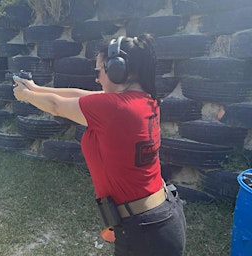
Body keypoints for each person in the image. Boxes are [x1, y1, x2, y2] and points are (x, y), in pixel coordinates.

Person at [13, 34, 186, 256]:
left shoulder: (113, 108)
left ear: (118, 69)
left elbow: (56, 106)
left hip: (145, 232)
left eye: (99, 71)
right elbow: (80, 95)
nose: (97, 79)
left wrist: (25, 95)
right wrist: (35, 88)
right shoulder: (144, 100)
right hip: (158, 219)